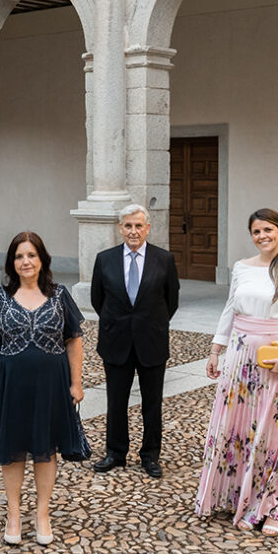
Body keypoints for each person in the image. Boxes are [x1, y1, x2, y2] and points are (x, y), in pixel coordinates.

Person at [195, 208, 278, 536]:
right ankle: (243, 497)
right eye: (256, 232)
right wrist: (215, 350)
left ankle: (275, 505)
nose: (263, 236)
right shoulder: (242, 268)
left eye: (268, 230)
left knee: (274, 431)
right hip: (239, 357)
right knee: (238, 427)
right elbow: (230, 309)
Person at [0, 231, 90, 546]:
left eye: (31, 255)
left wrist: (76, 383)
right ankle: (13, 514)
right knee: (13, 450)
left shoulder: (59, 295)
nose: (25, 261)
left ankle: (42, 514)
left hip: (51, 386)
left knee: (45, 449)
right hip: (10, 386)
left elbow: (74, 340)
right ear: (11, 263)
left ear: (42, 259)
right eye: (19, 256)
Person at [91, 203, 180, 479]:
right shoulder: (104, 259)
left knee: (152, 404)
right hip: (116, 342)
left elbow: (171, 301)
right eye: (128, 226)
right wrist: (120, 323)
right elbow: (97, 299)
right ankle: (115, 453)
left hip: (151, 341)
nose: (133, 231)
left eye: (138, 226)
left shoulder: (164, 259)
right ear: (120, 228)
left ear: (148, 228)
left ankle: (150, 456)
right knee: (116, 402)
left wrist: (149, 323)